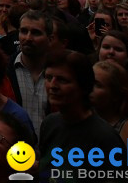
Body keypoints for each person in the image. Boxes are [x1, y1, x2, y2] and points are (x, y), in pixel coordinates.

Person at [38, 51, 123, 179]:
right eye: (49, 78)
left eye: (62, 80)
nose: (52, 86)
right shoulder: (49, 124)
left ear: (83, 86)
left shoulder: (105, 139)